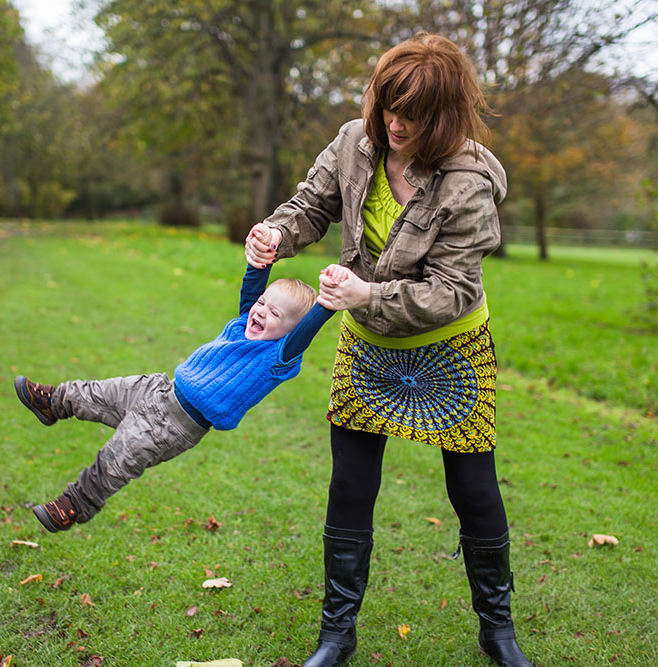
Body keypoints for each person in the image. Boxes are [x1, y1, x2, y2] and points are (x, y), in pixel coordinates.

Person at [245, 33, 532, 667]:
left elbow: (454, 291)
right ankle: (336, 635)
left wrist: (366, 293)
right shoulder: (356, 141)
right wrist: (275, 232)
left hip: (450, 349)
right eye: (388, 107)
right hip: (368, 342)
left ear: (447, 116)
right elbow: (311, 205)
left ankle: (499, 630)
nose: (396, 125)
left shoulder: (468, 182)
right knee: (350, 484)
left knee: (474, 488)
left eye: (415, 115)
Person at [16, 252, 345, 533]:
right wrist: (261, 260)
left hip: (172, 425)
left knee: (117, 458)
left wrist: (325, 304)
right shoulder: (242, 325)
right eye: (263, 303)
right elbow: (252, 291)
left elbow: (305, 331)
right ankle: (52, 403)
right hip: (158, 389)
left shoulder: (276, 358)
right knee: (97, 393)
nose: (260, 311)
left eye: (275, 313)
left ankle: (73, 506)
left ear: (290, 333)